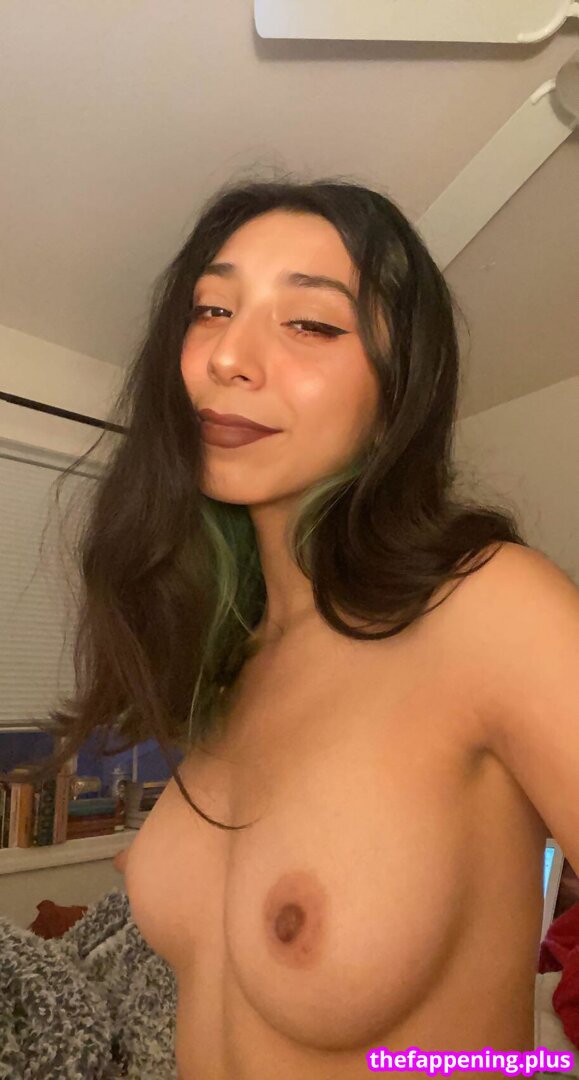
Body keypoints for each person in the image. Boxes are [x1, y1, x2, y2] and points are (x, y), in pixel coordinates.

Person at [42, 176, 579, 1079]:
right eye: (211, 310)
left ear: (399, 387)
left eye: (310, 323)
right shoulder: (233, 659)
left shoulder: (487, 607)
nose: (227, 356)